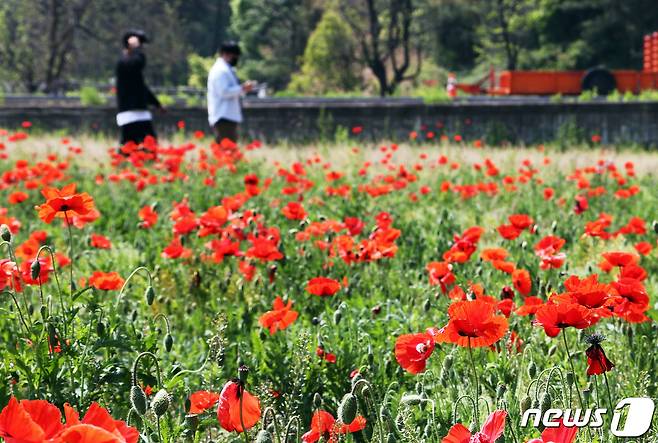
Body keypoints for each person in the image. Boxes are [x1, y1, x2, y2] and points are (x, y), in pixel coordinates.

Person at [115, 30, 164, 145]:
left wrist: (157, 104)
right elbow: (138, 63)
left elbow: (142, 88)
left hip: (140, 112)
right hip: (129, 112)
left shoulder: (132, 64)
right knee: (129, 147)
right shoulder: (124, 62)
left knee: (150, 146)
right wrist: (136, 49)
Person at [207, 41, 255, 143]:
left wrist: (242, 89)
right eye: (235, 55)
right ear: (226, 54)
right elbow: (223, 92)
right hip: (223, 116)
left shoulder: (227, 69)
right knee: (226, 152)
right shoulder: (220, 70)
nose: (236, 58)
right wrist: (242, 88)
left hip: (228, 116)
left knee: (229, 151)